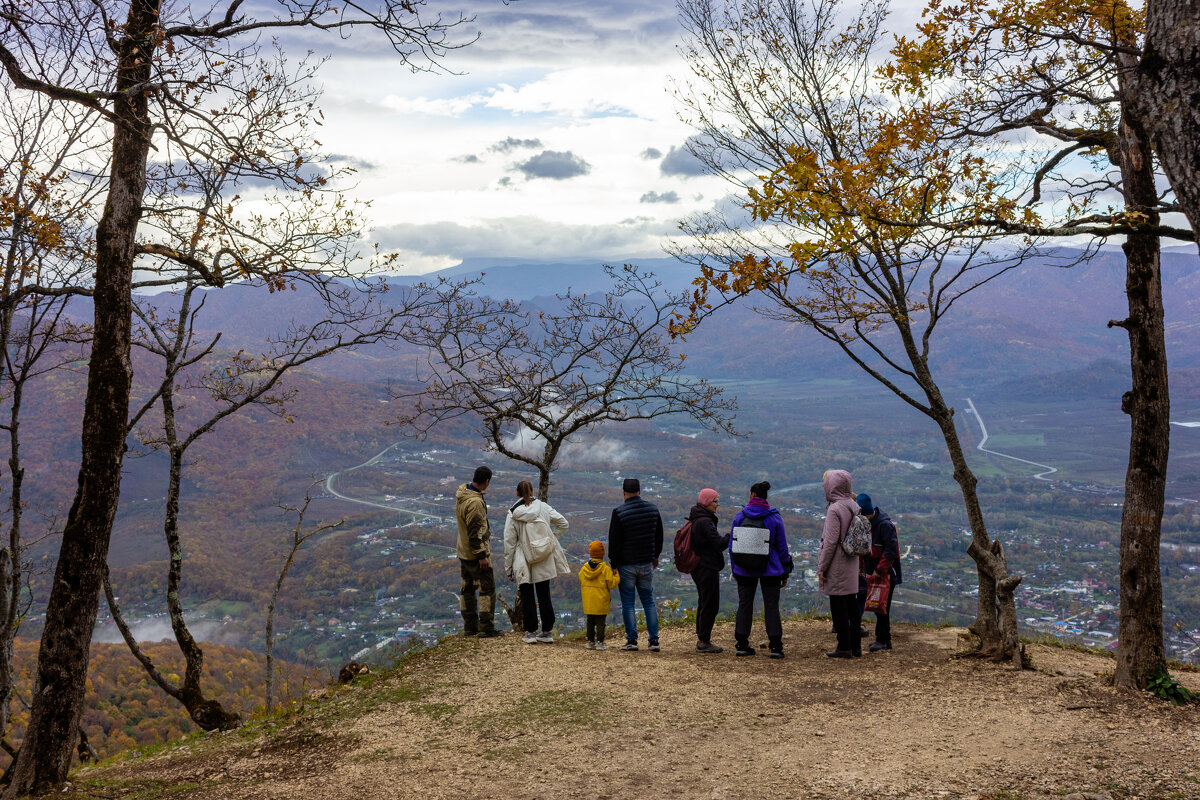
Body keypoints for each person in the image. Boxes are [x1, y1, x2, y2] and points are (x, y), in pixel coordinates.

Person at [728, 481, 792, 659]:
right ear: (765, 497)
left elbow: (732, 546)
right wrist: (785, 570)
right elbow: (782, 548)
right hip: (770, 569)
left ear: (752, 495)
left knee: (744, 605)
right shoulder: (774, 518)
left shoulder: (740, 516)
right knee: (771, 606)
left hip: (744, 569)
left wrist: (735, 568)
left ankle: (742, 644)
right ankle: (776, 646)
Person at [503, 480, 571, 644]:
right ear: (532, 492)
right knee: (544, 593)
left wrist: (508, 568)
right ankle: (547, 631)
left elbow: (509, 542)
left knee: (527, 594)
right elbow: (563, 523)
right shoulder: (543, 507)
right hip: (543, 554)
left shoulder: (513, 513)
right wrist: (550, 538)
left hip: (523, 556)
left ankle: (531, 632)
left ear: (517, 493)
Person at [607, 477, 664, 652]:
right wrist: (655, 556)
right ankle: (654, 640)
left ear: (623, 493)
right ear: (639, 491)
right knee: (648, 601)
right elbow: (659, 536)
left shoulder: (619, 512)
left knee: (628, 603)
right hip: (646, 563)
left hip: (626, 565)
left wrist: (614, 564)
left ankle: (632, 640)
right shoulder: (653, 510)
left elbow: (614, 541)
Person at [818, 469, 862, 658]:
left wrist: (822, 567)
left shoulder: (835, 509)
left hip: (837, 564)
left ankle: (844, 647)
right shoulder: (854, 504)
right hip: (852, 562)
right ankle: (856, 646)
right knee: (852, 606)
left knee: (838, 607)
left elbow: (830, 542)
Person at [455, 465, 502, 638]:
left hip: (463, 551)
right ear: (487, 481)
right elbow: (474, 533)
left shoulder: (463, 493)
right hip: (475, 554)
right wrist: (482, 555)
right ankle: (486, 627)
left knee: (467, 589)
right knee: (487, 589)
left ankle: (470, 627)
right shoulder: (475, 503)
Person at [856, 492, 902, 652]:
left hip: (887, 574)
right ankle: (884, 639)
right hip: (874, 573)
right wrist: (862, 566)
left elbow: (890, 550)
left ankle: (882, 640)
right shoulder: (868, 525)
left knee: (882, 606)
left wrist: (879, 570)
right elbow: (865, 549)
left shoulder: (884, 526)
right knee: (879, 607)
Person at [688, 488, 729, 654]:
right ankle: (704, 640)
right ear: (707, 502)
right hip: (707, 567)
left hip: (698, 567)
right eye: (715, 501)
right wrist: (731, 535)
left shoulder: (697, 518)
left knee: (704, 601)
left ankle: (702, 636)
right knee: (710, 603)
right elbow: (718, 544)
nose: (717, 504)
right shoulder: (705, 522)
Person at [578, 540, 620, 650]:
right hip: (601, 601)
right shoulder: (605, 569)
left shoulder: (584, 568)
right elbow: (612, 584)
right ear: (602, 553)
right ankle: (600, 642)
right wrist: (617, 575)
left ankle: (590, 642)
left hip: (588, 600)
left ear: (591, 553)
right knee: (600, 623)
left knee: (590, 621)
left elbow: (581, 579)